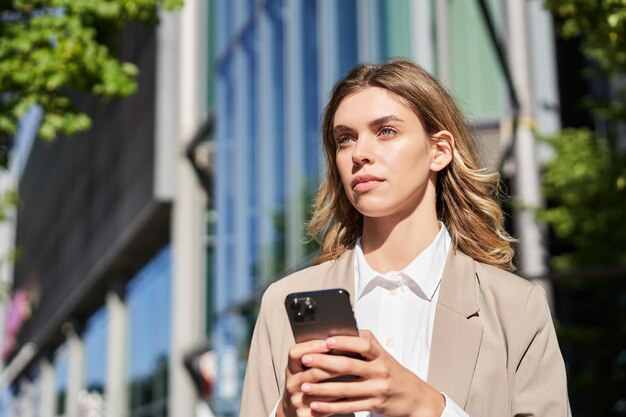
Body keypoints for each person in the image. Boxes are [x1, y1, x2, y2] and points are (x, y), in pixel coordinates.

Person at [240, 59, 570, 417]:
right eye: (345, 139)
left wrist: (427, 407)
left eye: (385, 131)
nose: (359, 154)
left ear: (439, 150)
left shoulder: (515, 308)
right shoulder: (282, 304)